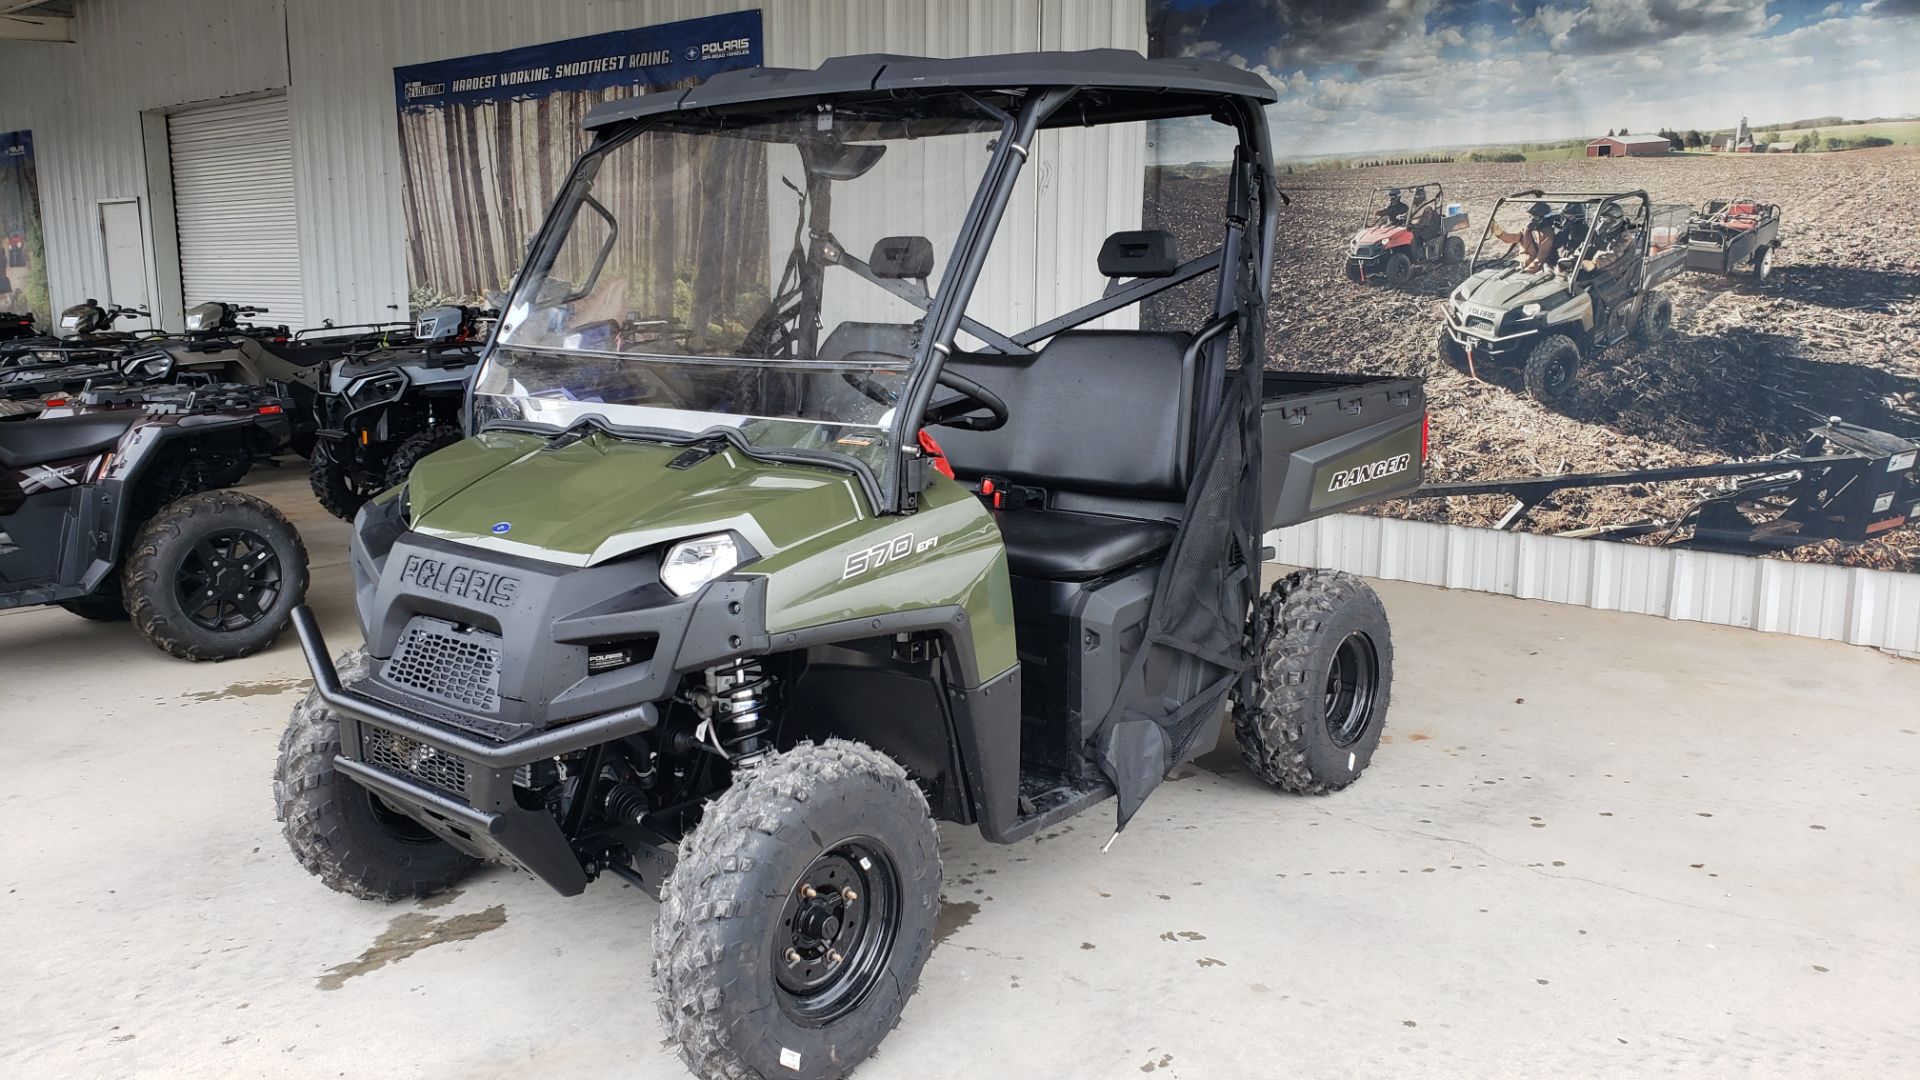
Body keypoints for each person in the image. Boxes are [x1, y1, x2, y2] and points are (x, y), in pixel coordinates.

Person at [1492, 200, 1556, 271]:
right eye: (1531, 216)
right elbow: (1514, 237)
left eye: (1535, 217)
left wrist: (1529, 269)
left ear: (1543, 218)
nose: (1532, 219)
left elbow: (1541, 257)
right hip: (1525, 263)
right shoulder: (1528, 230)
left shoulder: (1547, 233)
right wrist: (1500, 233)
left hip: (1540, 268)